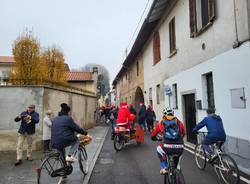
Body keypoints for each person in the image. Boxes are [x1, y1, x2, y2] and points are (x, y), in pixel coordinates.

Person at [151, 107, 185, 174]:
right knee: (180, 153)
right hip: (180, 146)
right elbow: (183, 133)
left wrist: (154, 138)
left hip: (167, 146)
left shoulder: (161, 123)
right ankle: (178, 166)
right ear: (173, 114)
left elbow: (153, 135)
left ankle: (164, 167)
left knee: (159, 149)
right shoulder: (179, 122)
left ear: (164, 114)